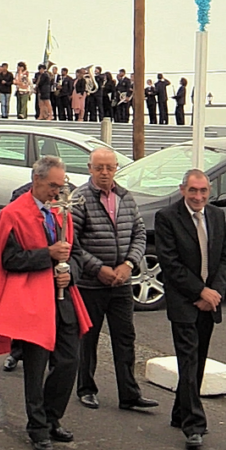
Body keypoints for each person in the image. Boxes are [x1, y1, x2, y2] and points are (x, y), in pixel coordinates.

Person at [0, 156, 92, 450]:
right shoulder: (14, 213)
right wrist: (48, 255)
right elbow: (8, 260)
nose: (58, 191)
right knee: (35, 369)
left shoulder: (60, 211)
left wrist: (70, 273)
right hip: (31, 302)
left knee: (69, 361)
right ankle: (38, 427)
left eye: (61, 185)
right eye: (53, 185)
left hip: (62, 299)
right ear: (36, 180)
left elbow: (74, 253)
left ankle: (52, 417)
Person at [71, 148, 158, 412]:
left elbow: (140, 233)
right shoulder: (80, 199)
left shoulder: (126, 197)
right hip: (90, 284)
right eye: (100, 168)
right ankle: (86, 388)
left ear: (116, 167)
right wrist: (98, 268)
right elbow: (72, 242)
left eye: (110, 167)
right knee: (88, 339)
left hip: (121, 284)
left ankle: (129, 394)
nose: (105, 173)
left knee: (125, 338)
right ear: (90, 169)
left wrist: (128, 264)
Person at [155, 169, 226, 450]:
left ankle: (179, 412)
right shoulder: (167, 218)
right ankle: (194, 425)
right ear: (182, 190)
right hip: (183, 301)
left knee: (198, 359)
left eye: (203, 191)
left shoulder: (216, 216)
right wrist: (199, 291)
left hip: (209, 303)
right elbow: (170, 264)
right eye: (193, 191)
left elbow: (224, 258)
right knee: (187, 360)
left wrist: (214, 294)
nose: (198, 196)